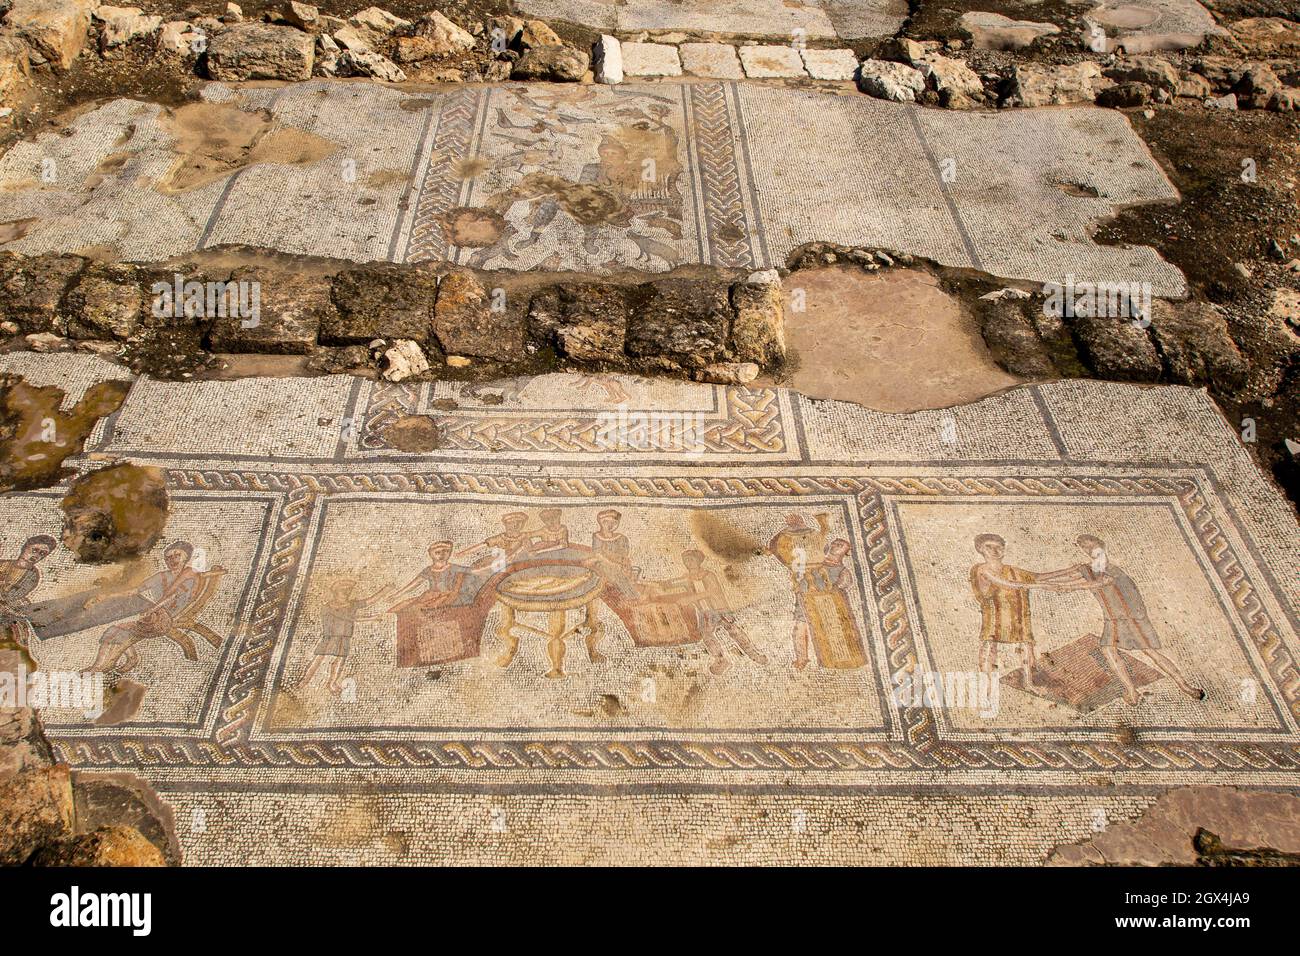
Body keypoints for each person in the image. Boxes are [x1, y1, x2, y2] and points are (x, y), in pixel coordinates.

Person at [1034, 535, 1204, 705]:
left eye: (1089, 544)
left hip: (1129, 616)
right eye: (1083, 546)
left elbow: (1094, 583)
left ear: (1100, 545)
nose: (1087, 549)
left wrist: (1065, 587)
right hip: (1113, 618)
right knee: (1109, 650)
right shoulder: (1088, 568)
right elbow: (1065, 576)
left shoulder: (1111, 569)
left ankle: (1184, 686)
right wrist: (1037, 579)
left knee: (1148, 651)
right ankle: (1132, 691)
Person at [89, 542, 200, 674]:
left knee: (113, 631)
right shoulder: (162, 576)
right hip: (158, 615)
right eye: (168, 557)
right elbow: (135, 591)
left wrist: (152, 610)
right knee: (119, 627)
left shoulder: (189, 574)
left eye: (177, 555)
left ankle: (99, 667)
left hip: (163, 620)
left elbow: (171, 596)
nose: (173, 560)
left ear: (186, 557)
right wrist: (107, 596)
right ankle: (130, 659)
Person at [661, 550, 767, 675]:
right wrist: (662, 584)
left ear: (698, 561)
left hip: (719, 609)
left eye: (691, 559)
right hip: (705, 612)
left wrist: (691, 598)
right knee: (706, 635)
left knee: (734, 631)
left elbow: (711, 591)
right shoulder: (687, 578)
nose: (689, 562)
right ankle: (721, 659)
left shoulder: (708, 575)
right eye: (686, 560)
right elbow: (673, 583)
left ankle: (754, 655)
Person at [970, 534, 1040, 690]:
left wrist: (1073, 575)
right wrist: (1047, 586)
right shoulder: (982, 569)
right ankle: (987, 686)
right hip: (995, 615)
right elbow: (1007, 583)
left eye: (999, 547)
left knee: (1026, 645)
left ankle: (1029, 683)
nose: (995, 551)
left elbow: (1038, 577)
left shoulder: (1013, 570)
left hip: (1017, 614)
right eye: (989, 546)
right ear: (980, 549)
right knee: (989, 646)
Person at [299, 577, 391, 694]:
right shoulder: (329, 607)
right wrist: (372, 618)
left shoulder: (351, 604)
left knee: (340, 660)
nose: (346, 594)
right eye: (343, 592)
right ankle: (304, 680)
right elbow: (350, 618)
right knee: (319, 658)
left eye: (348, 591)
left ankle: (332, 683)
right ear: (336, 592)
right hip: (331, 636)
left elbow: (369, 601)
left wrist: (385, 591)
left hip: (345, 636)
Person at [0, 535, 56, 673]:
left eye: (42, 554)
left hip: (8, 609)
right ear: (25, 547)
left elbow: (14, 596)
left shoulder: (32, 575)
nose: (36, 555)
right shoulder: (3, 563)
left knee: (15, 628)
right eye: (35, 550)